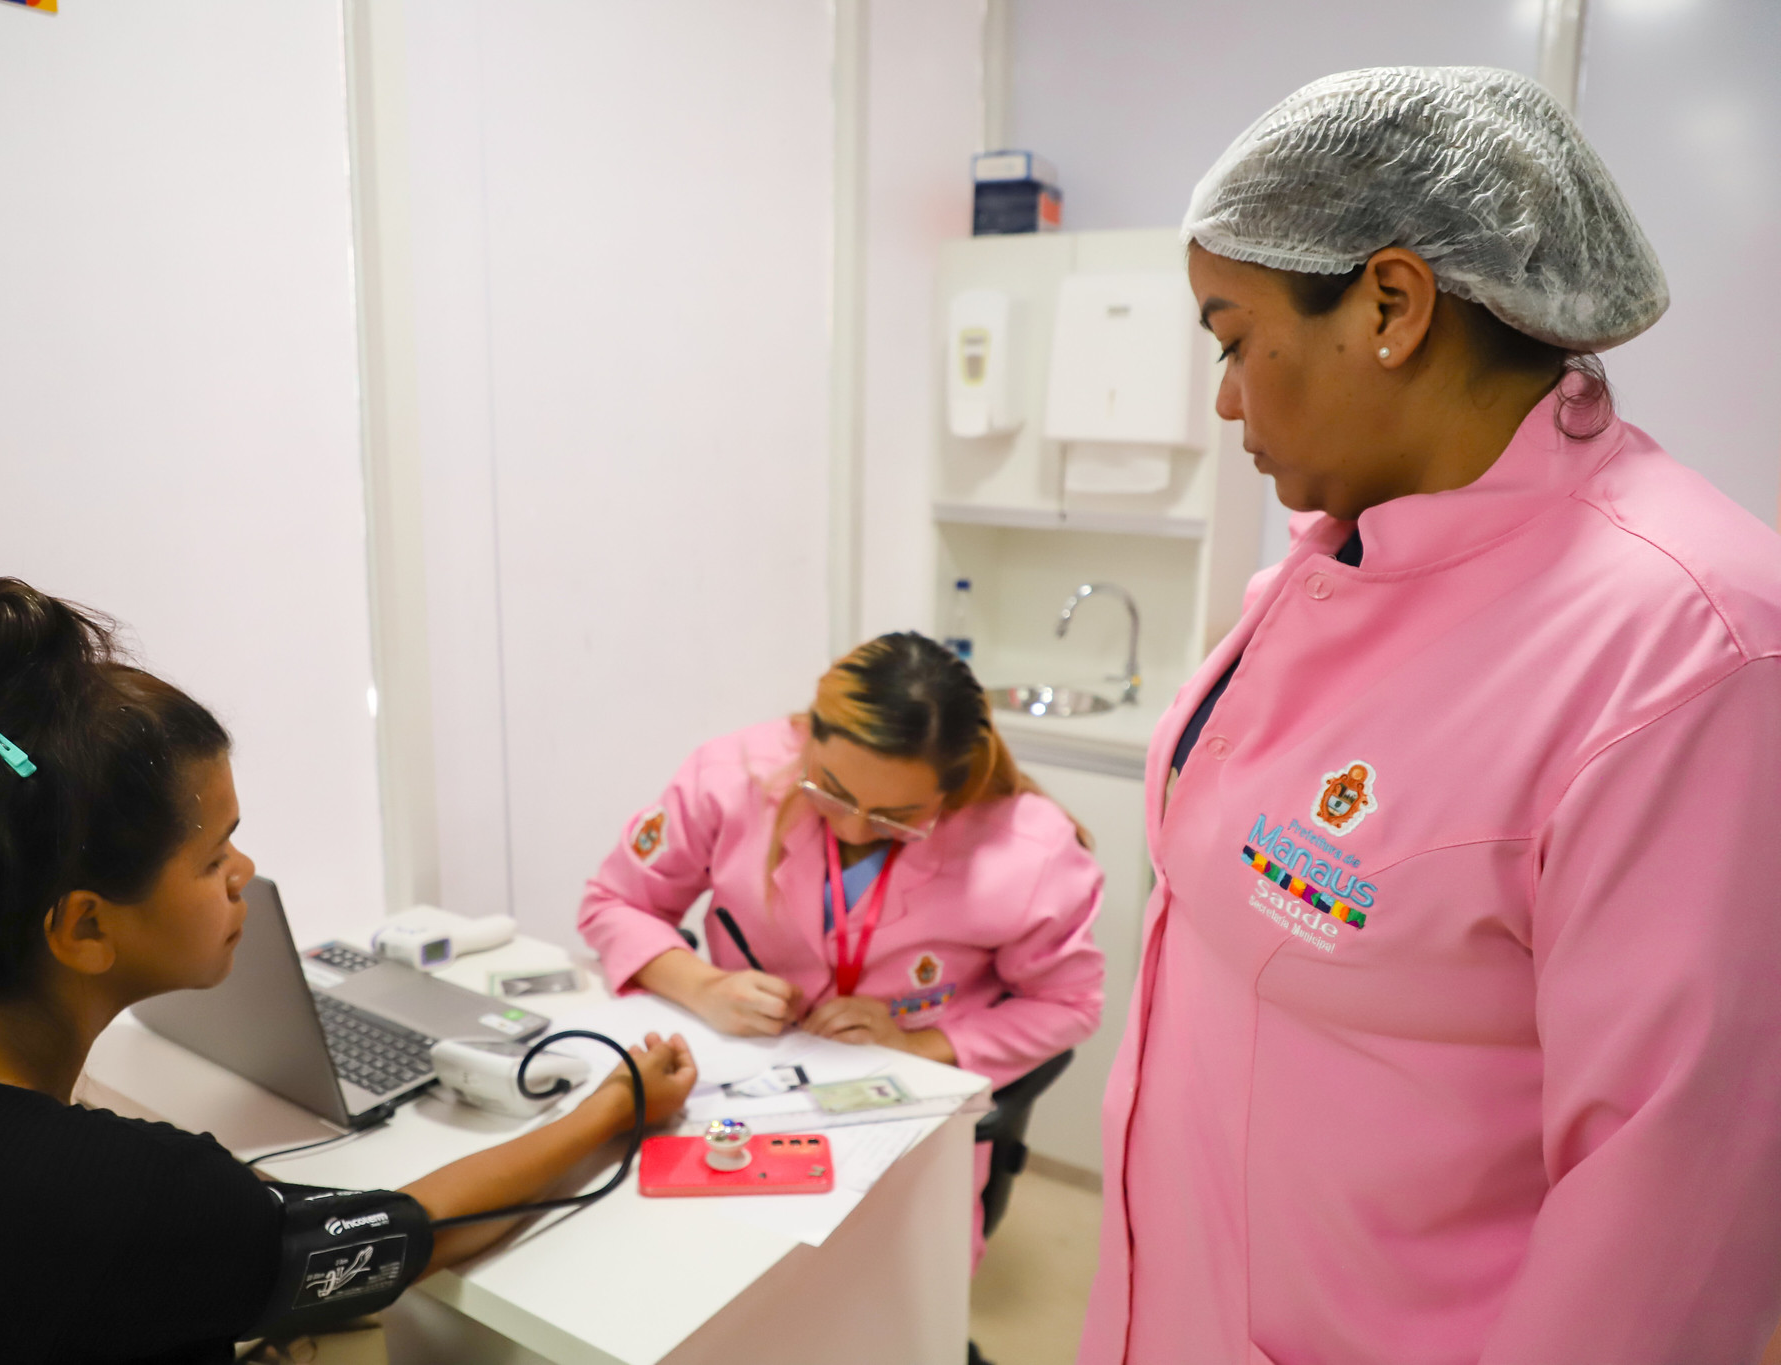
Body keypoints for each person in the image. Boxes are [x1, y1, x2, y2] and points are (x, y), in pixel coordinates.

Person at [1078, 67, 1781, 1365]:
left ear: (1390, 306)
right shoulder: (1333, 560)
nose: (1224, 398)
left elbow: (1661, 1235)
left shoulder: (1690, 649)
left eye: (1231, 338)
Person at [0, 578, 698, 1364]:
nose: (244, 871)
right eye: (213, 855)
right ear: (84, 925)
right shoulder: (145, 1197)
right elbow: (407, 1233)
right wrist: (613, 1107)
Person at [577, 631, 1106, 1267]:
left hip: (900, 1118)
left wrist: (920, 1044)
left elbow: (1069, 1004)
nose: (855, 827)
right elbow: (615, 902)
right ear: (807, 732)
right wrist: (702, 986)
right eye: (830, 789)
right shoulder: (730, 778)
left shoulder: (1030, 851)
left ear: (955, 789)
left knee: (877, 1286)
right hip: (744, 1093)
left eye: (896, 815)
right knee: (707, 1266)